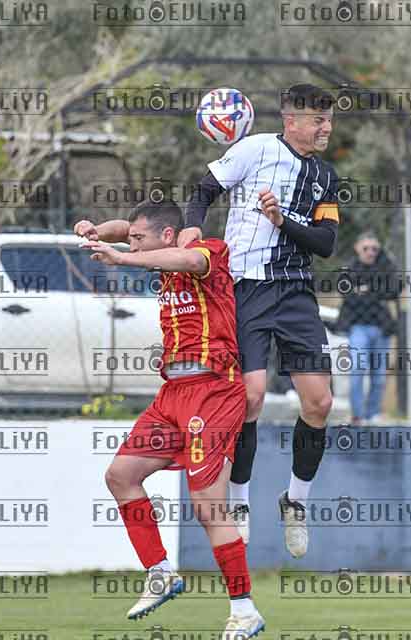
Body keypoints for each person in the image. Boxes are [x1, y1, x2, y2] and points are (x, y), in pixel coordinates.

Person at [75, 199, 264, 639]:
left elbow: (186, 259)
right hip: (173, 394)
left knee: (208, 505)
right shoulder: (155, 250)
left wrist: (123, 257)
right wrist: (98, 230)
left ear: (165, 235)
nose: (133, 245)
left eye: (139, 240)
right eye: (132, 240)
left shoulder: (208, 252)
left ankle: (244, 610)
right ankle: (159, 572)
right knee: (121, 475)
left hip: (213, 390)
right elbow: (127, 229)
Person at [178, 83, 340, 557]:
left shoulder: (325, 176)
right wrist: (192, 227)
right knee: (250, 397)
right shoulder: (255, 149)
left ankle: (296, 501)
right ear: (292, 121)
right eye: (318, 120)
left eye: (329, 120)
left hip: (295, 293)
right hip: (246, 288)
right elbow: (203, 191)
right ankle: (241, 500)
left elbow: (326, 243)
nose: (326, 128)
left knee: (319, 403)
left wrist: (281, 220)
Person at [335, 231, 399, 425]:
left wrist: (365, 290)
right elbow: (348, 295)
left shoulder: (385, 266)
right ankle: (357, 415)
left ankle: (373, 413)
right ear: (357, 248)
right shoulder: (349, 268)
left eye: (375, 249)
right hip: (358, 327)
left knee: (379, 375)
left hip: (381, 327)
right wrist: (376, 291)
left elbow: (394, 290)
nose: (370, 252)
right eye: (366, 248)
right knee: (358, 368)